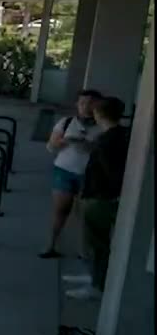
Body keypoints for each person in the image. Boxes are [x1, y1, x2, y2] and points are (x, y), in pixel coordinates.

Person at [64, 96, 130, 301]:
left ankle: (96, 285)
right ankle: (94, 277)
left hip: (100, 198)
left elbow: (109, 171)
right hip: (105, 197)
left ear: (98, 114)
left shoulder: (106, 140)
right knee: (97, 243)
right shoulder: (120, 134)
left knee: (95, 243)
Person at [41, 89, 103, 258]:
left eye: (91, 103)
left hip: (89, 175)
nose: (86, 106)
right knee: (60, 210)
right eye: (82, 103)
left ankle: (83, 250)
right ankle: (51, 245)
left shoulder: (103, 127)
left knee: (84, 215)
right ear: (77, 104)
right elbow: (51, 147)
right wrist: (66, 141)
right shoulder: (66, 122)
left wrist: (89, 147)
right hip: (64, 170)